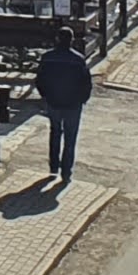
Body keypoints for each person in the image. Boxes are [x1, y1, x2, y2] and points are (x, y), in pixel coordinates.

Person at [36, 40, 95, 180]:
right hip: (73, 104)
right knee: (70, 137)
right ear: (71, 40)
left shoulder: (48, 57)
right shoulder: (78, 59)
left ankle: (54, 166)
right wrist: (82, 99)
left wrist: (45, 95)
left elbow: (40, 79)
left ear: (57, 39)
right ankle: (66, 171)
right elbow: (86, 82)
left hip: (53, 102)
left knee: (55, 132)